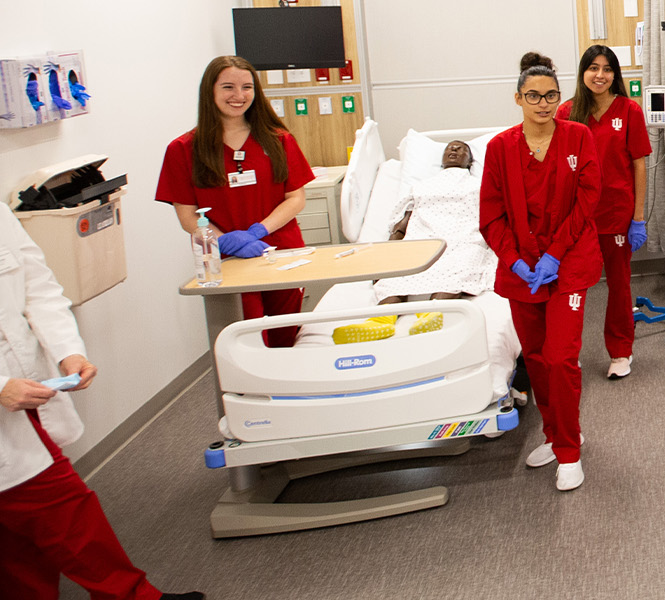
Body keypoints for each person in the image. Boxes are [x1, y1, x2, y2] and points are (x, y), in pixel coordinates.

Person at [0, 207, 202, 600]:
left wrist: (67, 352)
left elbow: (38, 287)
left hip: (23, 397)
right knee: (64, 510)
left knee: (17, 537)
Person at [480, 52, 603, 491]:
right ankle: (555, 434)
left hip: (568, 264)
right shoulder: (499, 149)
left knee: (560, 358)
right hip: (521, 271)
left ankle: (570, 451)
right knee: (534, 359)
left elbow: (587, 202)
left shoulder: (579, 138)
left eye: (551, 95)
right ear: (518, 98)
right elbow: (491, 217)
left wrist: (553, 255)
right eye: (534, 95)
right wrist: (515, 259)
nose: (544, 103)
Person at [156, 55, 313, 347]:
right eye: (228, 87)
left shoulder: (278, 140)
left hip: (280, 252)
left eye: (247, 87)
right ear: (210, 92)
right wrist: (226, 241)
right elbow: (187, 215)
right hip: (226, 260)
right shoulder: (183, 150)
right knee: (245, 339)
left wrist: (258, 232)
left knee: (285, 336)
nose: (239, 96)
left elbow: (296, 198)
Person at [333, 141, 496, 344]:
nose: (453, 150)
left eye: (460, 148)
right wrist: (392, 246)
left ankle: (432, 313)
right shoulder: (422, 186)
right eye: (449, 149)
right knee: (399, 269)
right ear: (442, 161)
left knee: (464, 260)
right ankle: (380, 320)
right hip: (424, 236)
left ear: (470, 161)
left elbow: (490, 216)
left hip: (463, 236)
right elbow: (407, 216)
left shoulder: (478, 185)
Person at [558, 44, 652, 380]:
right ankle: (569, 351)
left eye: (607, 68)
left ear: (615, 74)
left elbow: (639, 166)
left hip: (616, 214)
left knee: (618, 284)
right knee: (571, 288)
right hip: (576, 218)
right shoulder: (567, 112)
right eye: (593, 68)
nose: (600, 75)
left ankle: (620, 351)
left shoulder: (629, 111)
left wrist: (638, 218)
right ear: (583, 73)